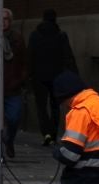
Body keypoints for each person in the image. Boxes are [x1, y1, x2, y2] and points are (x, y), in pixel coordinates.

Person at [27, 10, 76, 146]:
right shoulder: (60, 35)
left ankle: (46, 132)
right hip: (57, 77)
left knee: (41, 107)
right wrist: (74, 74)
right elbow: (68, 57)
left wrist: (29, 76)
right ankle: (53, 133)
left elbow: (30, 56)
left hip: (39, 76)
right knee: (55, 106)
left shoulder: (35, 36)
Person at [1, 8, 28, 158]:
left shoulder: (17, 39)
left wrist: (20, 80)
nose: (2, 22)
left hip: (13, 86)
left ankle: (9, 140)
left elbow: (24, 61)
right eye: (0, 19)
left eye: (5, 19)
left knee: (14, 117)